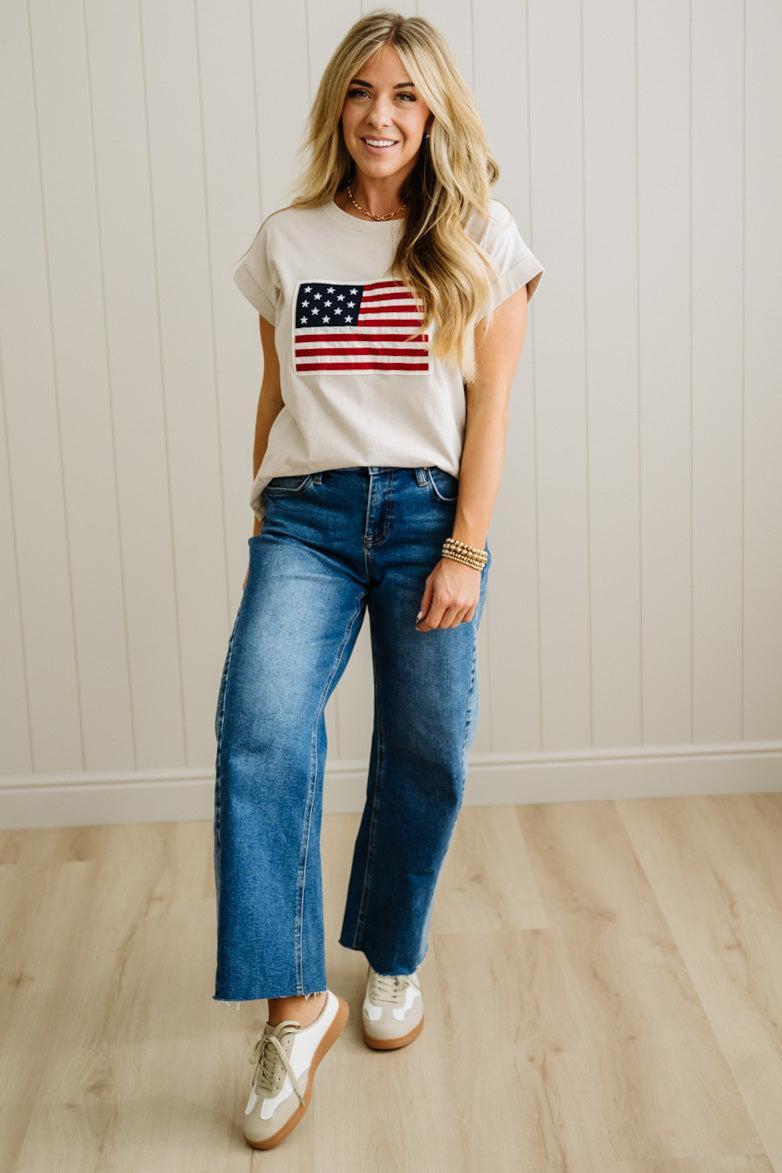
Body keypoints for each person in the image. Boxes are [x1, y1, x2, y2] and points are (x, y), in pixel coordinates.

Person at [214, 8, 544, 1150]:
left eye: (404, 94)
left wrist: (465, 546)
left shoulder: (482, 238)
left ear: (435, 109)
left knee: (423, 746)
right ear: (335, 109)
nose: (380, 115)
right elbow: (278, 386)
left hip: (423, 518)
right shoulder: (287, 240)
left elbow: (490, 407)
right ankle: (293, 1004)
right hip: (304, 519)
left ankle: (390, 958)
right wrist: (260, 498)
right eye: (361, 92)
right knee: (260, 728)